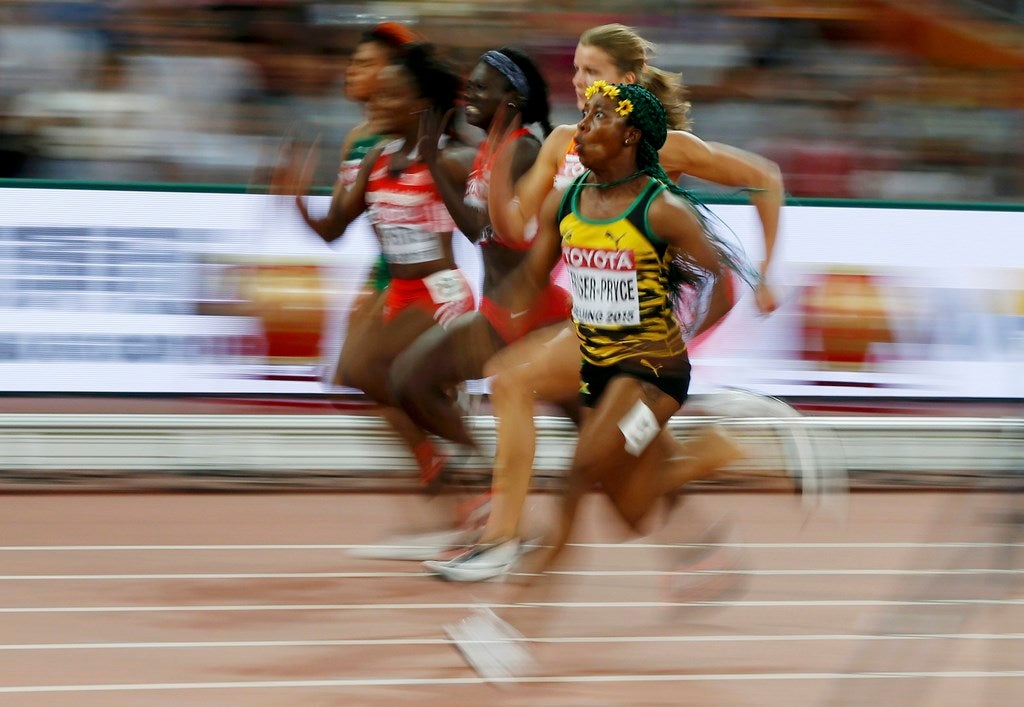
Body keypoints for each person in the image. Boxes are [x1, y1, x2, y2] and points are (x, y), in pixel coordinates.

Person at [397, 24, 783, 580]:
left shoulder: (663, 145)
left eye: (592, 72)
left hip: (647, 342)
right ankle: (501, 540)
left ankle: (719, 449)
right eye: (575, 70)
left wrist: (766, 272)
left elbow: (764, 177)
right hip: (587, 330)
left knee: (618, 482)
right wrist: (501, 169)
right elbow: (514, 227)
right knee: (512, 381)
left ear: (626, 82)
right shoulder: (560, 143)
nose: (577, 82)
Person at [444, 82, 746, 679]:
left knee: (578, 478)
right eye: (582, 115)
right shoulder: (569, 201)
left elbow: (724, 285)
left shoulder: (663, 208)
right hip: (595, 359)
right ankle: (717, 451)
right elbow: (530, 280)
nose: (581, 126)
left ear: (631, 136)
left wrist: (677, 344)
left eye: (598, 116)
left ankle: (512, 631)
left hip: (651, 376)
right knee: (630, 505)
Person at [285, 42, 476, 487]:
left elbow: (493, 225)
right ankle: (449, 466)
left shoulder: (454, 158)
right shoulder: (377, 157)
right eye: (377, 96)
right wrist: (295, 199)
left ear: (421, 106)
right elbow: (334, 229)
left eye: (390, 96)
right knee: (354, 371)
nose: (378, 104)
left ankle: (477, 468)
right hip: (400, 291)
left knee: (394, 377)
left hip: (438, 291)